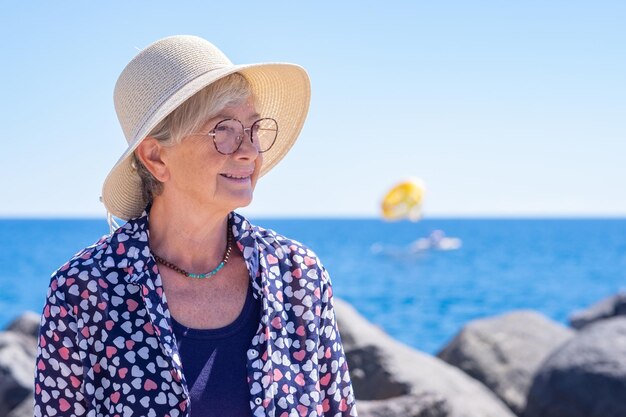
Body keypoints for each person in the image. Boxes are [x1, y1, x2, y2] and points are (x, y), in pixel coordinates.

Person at [34, 35, 357, 417]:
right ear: (156, 157)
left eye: (254, 129)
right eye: (223, 130)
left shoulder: (298, 277)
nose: (249, 150)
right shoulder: (83, 292)